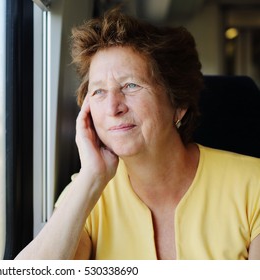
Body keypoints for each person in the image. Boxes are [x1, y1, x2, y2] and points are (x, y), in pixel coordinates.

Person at [16, 8, 260, 260]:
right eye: (99, 91)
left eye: (130, 86)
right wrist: (90, 178)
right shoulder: (85, 193)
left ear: (178, 104)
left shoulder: (254, 186)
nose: (113, 107)